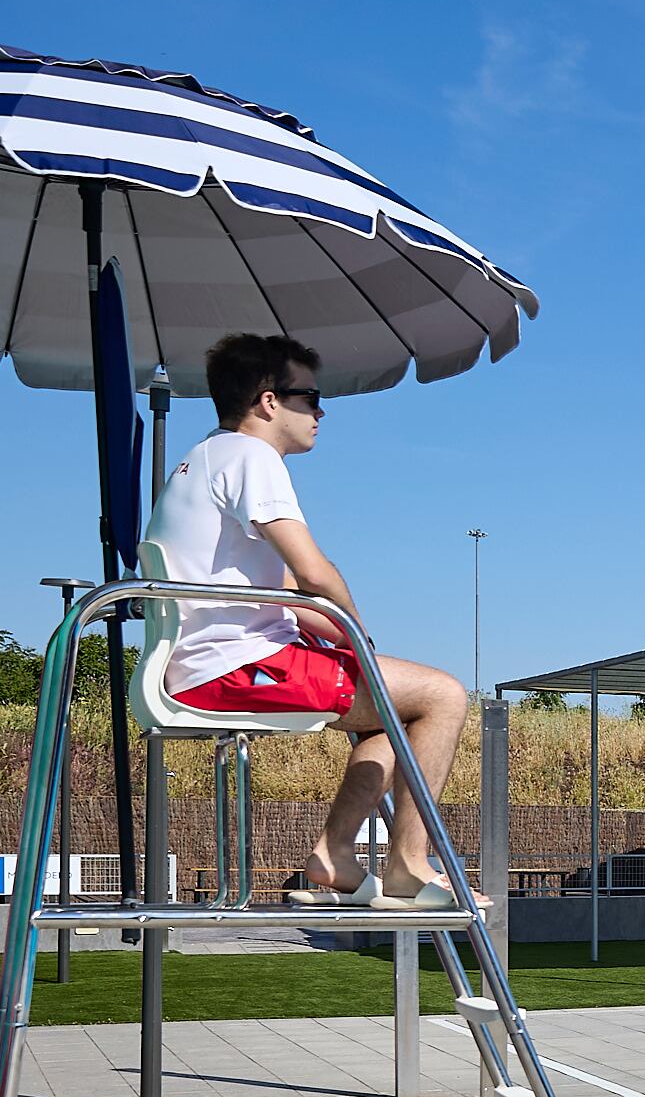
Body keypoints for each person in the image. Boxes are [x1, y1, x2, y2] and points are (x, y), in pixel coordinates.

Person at [142, 333, 468, 908]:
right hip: (235, 664)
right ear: (269, 402)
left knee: (389, 715)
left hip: (218, 657)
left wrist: (347, 643)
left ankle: (333, 853)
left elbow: (286, 591)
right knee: (442, 696)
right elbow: (314, 574)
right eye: (310, 396)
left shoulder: (204, 460)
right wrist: (359, 639)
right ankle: (407, 866)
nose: (321, 411)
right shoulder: (252, 455)